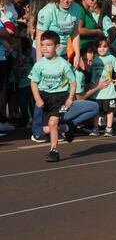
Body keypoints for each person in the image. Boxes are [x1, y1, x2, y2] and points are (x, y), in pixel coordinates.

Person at [28, 30, 76, 162]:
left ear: (57, 47)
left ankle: (54, 151)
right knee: (46, 128)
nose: (45, 48)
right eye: (42, 45)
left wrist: (70, 98)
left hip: (60, 97)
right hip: (45, 97)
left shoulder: (63, 64)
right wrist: (37, 98)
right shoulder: (39, 64)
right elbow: (33, 82)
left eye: (48, 45)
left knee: (53, 123)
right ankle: (66, 127)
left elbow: (73, 82)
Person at [34, 0, 81, 66]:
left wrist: (77, 55)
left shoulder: (77, 9)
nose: (66, 0)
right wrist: (39, 61)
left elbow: (75, 33)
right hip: (45, 53)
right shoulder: (48, 10)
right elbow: (39, 37)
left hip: (63, 52)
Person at [88, 35, 116, 137]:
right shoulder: (94, 58)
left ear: (108, 47)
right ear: (96, 48)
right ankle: (95, 128)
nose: (102, 49)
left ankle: (109, 128)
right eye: (99, 47)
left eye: (105, 46)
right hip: (97, 91)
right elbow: (89, 70)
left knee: (109, 111)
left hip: (109, 90)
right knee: (96, 111)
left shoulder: (111, 58)